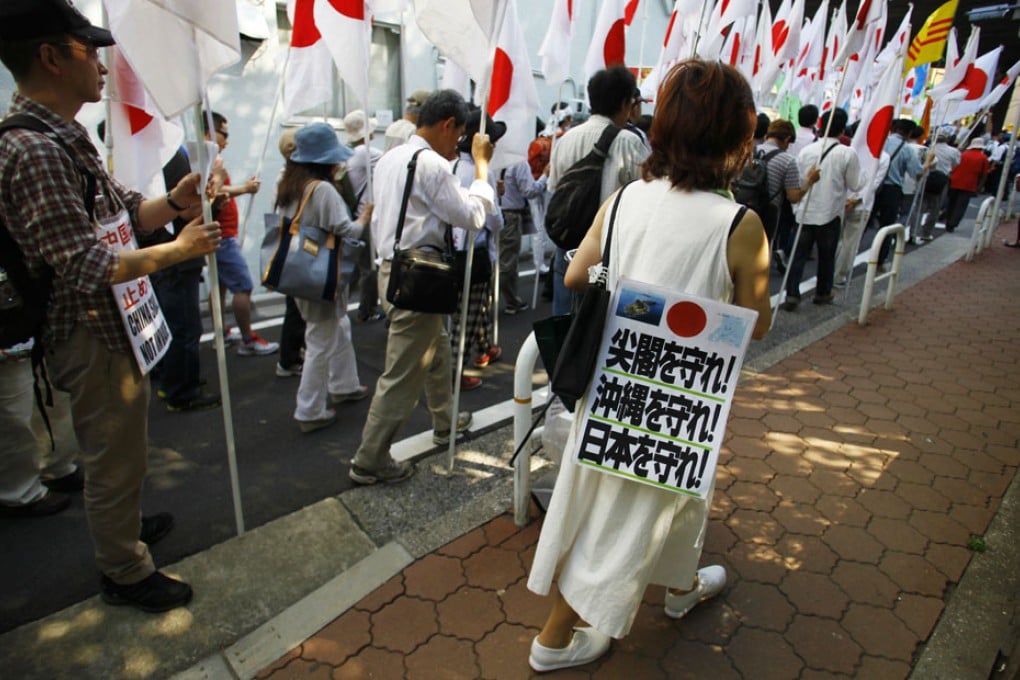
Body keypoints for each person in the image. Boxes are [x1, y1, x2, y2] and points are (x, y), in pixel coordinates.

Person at [526, 59, 771, 673]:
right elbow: (757, 322)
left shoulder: (625, 199)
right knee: (625, 512)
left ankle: (682, 586)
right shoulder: (740, 225)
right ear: (737, 139)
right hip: (683, 393)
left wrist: (627, 284)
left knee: (663, 493)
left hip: (612, 379)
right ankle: (552, 640)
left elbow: (577, 274)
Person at [0, 0, 221, 611]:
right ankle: (123, 570)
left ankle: (123, 526)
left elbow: (126, 215)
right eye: (90, 51)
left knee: (121, 451)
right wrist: (180, 249)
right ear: (51, 57)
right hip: (90, 331)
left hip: (112, 324)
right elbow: (86, 266)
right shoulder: (35, 149)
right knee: (111, 456)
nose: (103, 66)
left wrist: (173, 203)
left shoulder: (62, 136)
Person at [350, 90, 494, 485]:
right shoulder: (431, 164)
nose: (457, 146)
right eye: (459, 136)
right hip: (419, 277)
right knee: (402, 374)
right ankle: (370, 459)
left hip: (395, 270)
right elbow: (472, 216)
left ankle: (446, 421)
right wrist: (481, 169)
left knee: (437, 349)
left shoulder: (391, 156)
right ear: (448, 125)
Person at [276, 123, 371, 433]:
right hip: (322, 275)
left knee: (337, 328)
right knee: (319, 340)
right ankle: (309, 410)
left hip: (301, 272)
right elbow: (347, 231)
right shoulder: (323, 190)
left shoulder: (290, 186)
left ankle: (345, 384)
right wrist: (364, 217)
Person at [547, 66, 650, 316]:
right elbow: (645, 197)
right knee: (598, 323)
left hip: (567, 243)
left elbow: (554, 188)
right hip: (608, 250)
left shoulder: (566, 139)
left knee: (564, 321)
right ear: (625, 103)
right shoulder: (629, 142)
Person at [204, 111, 279, 356]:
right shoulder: (210, 162)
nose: (227, 140)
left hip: (220, 233)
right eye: (224, 134)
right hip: (222, 235)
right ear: (210, 132)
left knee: (220, 287)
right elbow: (211, 193)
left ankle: (221, 333)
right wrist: (245, 188)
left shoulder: (208, 160)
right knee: (243, 286)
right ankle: (248, 340)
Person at [781, 108, 859, 310]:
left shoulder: (807, 151)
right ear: (842, 129)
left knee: (798, 256)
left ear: (821, 125)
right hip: (830, 212)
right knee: (826, 256)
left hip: (805, 210)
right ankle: (822, 293)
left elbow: (799, 179)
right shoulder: (847, 153)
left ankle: (791, 294)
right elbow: (855, 184)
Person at [451, 110, 505, 390]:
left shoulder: (450, 166)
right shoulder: (482, 172)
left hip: (450, 252)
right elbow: (494, 221)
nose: (493, 145)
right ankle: (454, 371)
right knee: (466, 319)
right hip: (474, 254)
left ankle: (484, 347)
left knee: (465, 310)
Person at [342, 109, 385, 323]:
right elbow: (391, 160)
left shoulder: (347, 152)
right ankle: (367, 309)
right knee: (370, 267)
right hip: (366, 216)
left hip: (353, 216)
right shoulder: (366, 153)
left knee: (354, 267)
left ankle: (339, 303)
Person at [274, 128, 307, 378]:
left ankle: (292, 356)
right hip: (301, 251)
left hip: (288, 250)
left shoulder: (282, 178)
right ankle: (288, 360)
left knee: (294, 307)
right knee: (297, 309)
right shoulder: (303, 183)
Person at [756, 119, 818, 248]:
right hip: (768, 214)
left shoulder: (749, 151)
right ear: (787, 139)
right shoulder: (787, 161)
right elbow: (793, 197)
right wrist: (809, 181)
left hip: (742, 207)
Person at [499, 156, 548, 315]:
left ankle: (506, 299)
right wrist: (545, 176)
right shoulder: (518, 161)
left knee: (499, 259)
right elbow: (530, 191)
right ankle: (509, 301)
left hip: (495, 212)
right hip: (510, 215)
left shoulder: (492, 159)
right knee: (507, 262)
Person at [946, 138, 991, 232]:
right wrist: (980, 186)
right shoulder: (983, 158)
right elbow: (984, 174)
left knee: (952, 203)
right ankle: (952, 224)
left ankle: (948, 220)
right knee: (961, 205)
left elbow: (953, 167)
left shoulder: (963, 154)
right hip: (969, 184)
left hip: (955, 181)